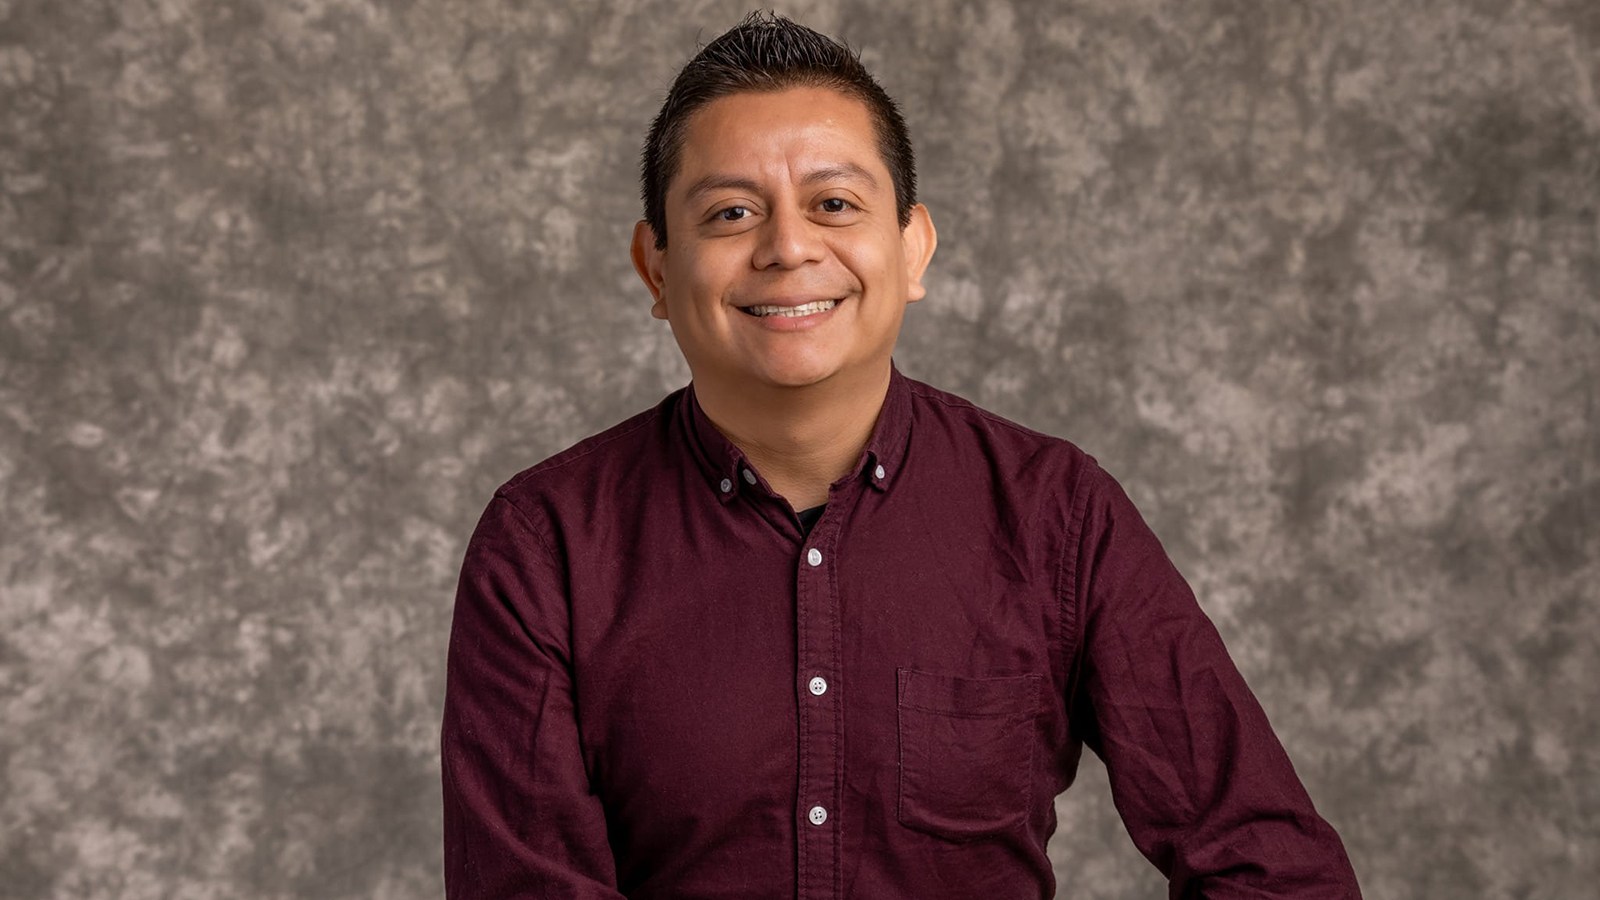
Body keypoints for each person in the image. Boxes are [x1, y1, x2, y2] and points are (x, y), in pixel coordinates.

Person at [440, 10, 1363, 899]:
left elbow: (1268, 866)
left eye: (834, 203)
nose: (789, 247)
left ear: (912, 248)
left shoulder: (1054, 512)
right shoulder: (546, 544)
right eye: (730, 214)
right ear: (656, 268)